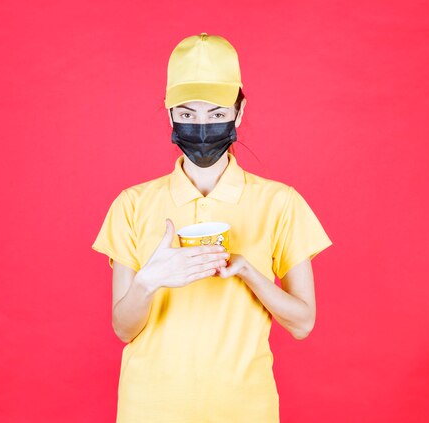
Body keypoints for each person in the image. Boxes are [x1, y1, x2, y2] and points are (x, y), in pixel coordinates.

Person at [92, 32, 333, 423]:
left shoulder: (279, 202)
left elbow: (303, 323)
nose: (201, 126)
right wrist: (148, 280)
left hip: (244, 409)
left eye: (217, 113)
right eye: (187, 114)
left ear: (239, 112)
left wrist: (249, 272)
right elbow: (123, 329)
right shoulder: (132, 204)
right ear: (169, 113)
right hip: (150, 408)